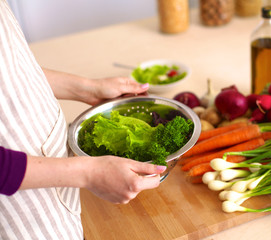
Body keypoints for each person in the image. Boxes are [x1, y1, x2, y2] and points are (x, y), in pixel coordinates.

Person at [0, 1, 166, 239]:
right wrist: (88, 173)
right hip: (16, 214)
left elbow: (11, 68)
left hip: (55, 185)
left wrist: (87, 89)